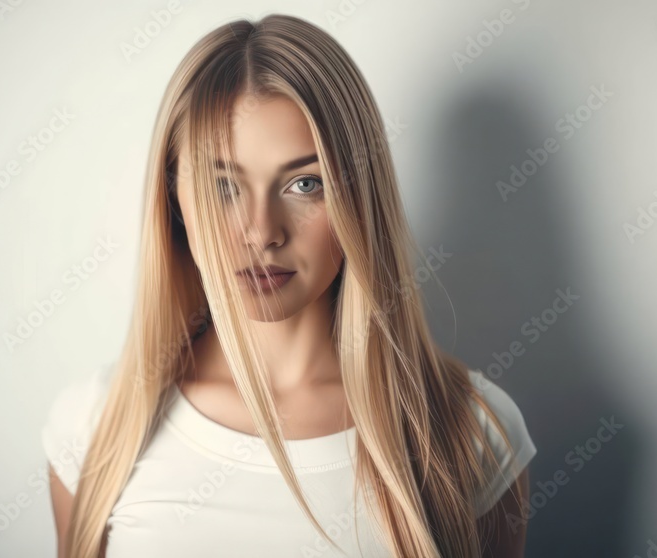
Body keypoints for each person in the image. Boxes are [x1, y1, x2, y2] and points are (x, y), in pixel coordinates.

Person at [41, 13, 537, 558]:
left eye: (306, 183)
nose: (262, 232)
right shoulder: (95, 426)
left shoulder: (472, 434)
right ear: (174, 200)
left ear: (359, 197)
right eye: (223, 185)